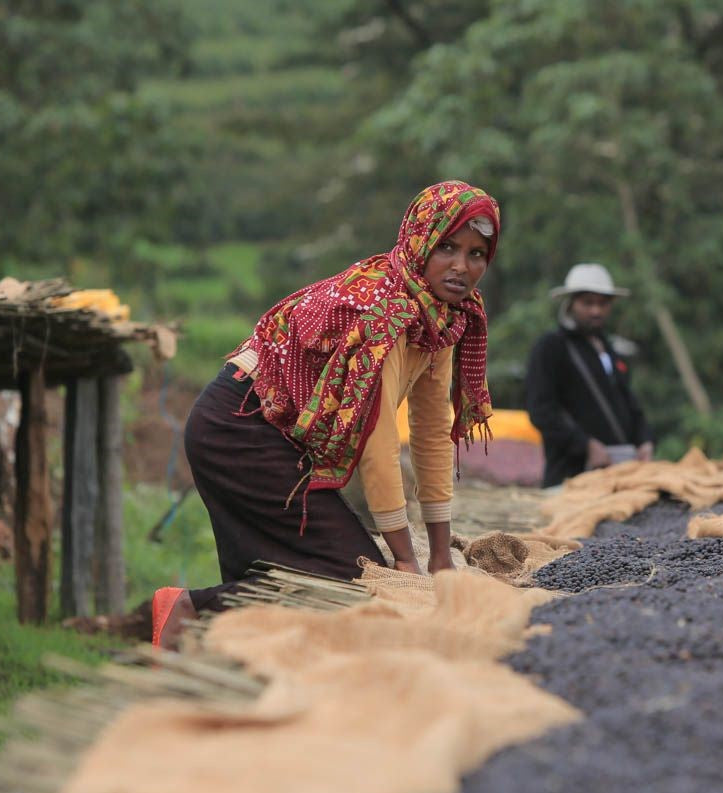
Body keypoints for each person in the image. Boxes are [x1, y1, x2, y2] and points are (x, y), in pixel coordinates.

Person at [151, 181, 499, 650]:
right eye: (448, 248)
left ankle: (212, 653)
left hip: (267, 433)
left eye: (477, 254)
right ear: (419, 243)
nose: (462, 267)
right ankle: (187, 613)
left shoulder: (443, 317)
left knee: (286, 574)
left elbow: (433, 431)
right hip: (239, 425)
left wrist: (440, 554)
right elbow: (378, 442)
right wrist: (405, 564)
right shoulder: (389, 312)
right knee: (356, 577)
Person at [524, 263, 654, 488]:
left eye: (602, 304)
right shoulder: (551, 346)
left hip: (618, 476)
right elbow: (541, 410)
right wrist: (585, 445)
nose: (596, 311)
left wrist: (645, 440)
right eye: (588, 303)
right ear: (571, 303)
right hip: (569, 478)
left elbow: (630, 403)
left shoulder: (610, 348)